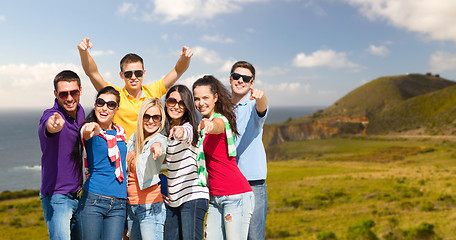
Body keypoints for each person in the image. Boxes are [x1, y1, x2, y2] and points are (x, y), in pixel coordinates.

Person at [78, 37, 193, 139]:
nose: (133, 77)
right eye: (128, 74)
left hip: (148, 155)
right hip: (122, 156)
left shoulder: (153, 91)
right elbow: (92, 73)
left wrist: (185, 58)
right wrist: (83, 52)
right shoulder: (115, 95)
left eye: (138, 73)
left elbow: (178, 71)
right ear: (121, 75)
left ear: (144, 73)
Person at [192, 75, 254, 240]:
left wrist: (209, 126)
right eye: (197, 99)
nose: (201, 103)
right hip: (215, 198)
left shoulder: (219, 120)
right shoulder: (206, 121)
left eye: (205, 97)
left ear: (215, 97)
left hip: (235, 196)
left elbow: (218, 126)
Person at [75, 86, 128, 240]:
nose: (105, 107)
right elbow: (85, 131)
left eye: (110, 105)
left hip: (119, 203)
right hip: (93, 200)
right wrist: (91, 128)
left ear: (116, 110)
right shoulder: (90, 130)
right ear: (95, 105)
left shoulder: (121, 133)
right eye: (101, 102)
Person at [38, 70, 84, 240]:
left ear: (80, 90)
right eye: (64, 94)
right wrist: (53, 125)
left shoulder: (80, 113)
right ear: (56, 94)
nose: (70, 98)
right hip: (57, 197)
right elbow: (49, 125)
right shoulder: (51, 116)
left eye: (74, 92)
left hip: (78, 195)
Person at [163, 85, 209, 240]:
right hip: (174, 200)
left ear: (187, 106)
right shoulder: (166, 132)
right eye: (172, 101)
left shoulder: (189, 127)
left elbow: (187, 134)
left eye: (182, 103)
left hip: (193, 197)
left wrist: (180, 132)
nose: (176, 106)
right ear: (166, 102)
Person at [229, 61, 268, 240]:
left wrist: (261, 97)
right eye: (237, 76)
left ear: (252, 83)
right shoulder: (222, 108)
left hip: (253, 183)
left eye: (246, 78)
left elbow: (262, 108)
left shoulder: (254, 105)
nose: (240, 80)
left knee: (254, 236)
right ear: (230, 78)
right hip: (228, 183)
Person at [125, 98, 168, 240]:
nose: (151, 121)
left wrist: (156, 146)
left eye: (156, 117)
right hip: (132, 207)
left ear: (161, 119)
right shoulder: (134, 139)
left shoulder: (159, 139)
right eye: (146, 116)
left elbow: (160, 144)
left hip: (150, 207)